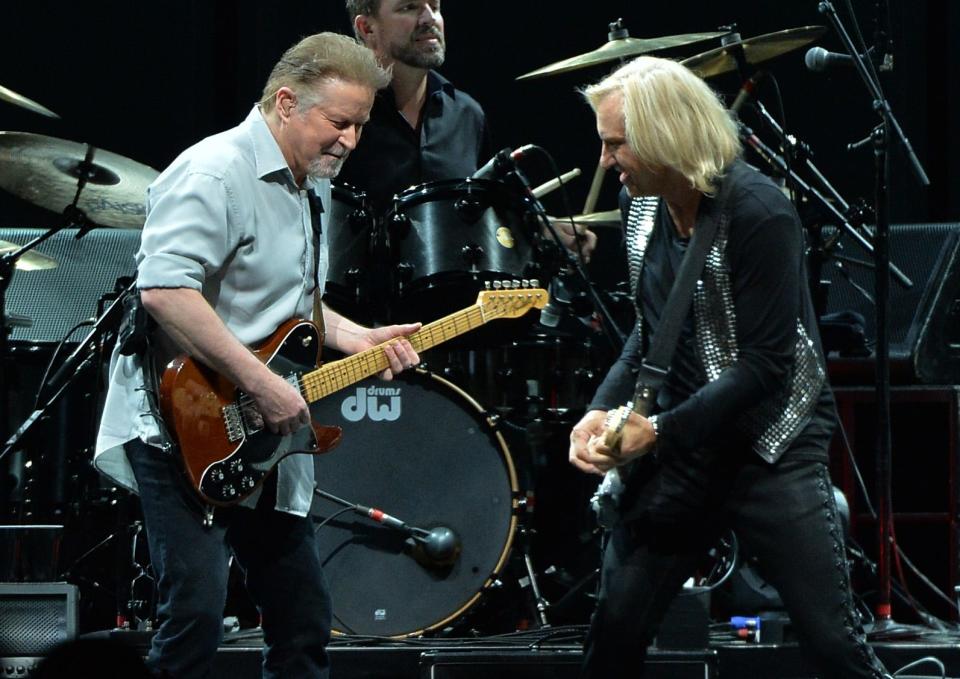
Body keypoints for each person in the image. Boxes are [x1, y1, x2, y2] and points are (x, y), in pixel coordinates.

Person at [94, 33, 420, 678]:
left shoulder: (311, 182)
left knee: (301, 619)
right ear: (286, 100)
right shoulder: (214, 171)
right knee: (195, 615)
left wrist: (356, 338)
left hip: (257, 428)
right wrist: (263, 385)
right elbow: (165, 291)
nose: (350, 141)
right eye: (338, 123)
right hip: (178, 421)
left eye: (360, 126)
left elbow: (292, 308)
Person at [568, 56, 889, 679]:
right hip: (685, 451)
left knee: (833, 645)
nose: (605, 161)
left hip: (771, 446)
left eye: (615, 144)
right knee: (613, 636)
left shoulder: (759, 211)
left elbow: (766, 367)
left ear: (664, 136)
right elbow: (648, 332)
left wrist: (655, 431)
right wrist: (600, 408)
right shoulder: (644, 210)